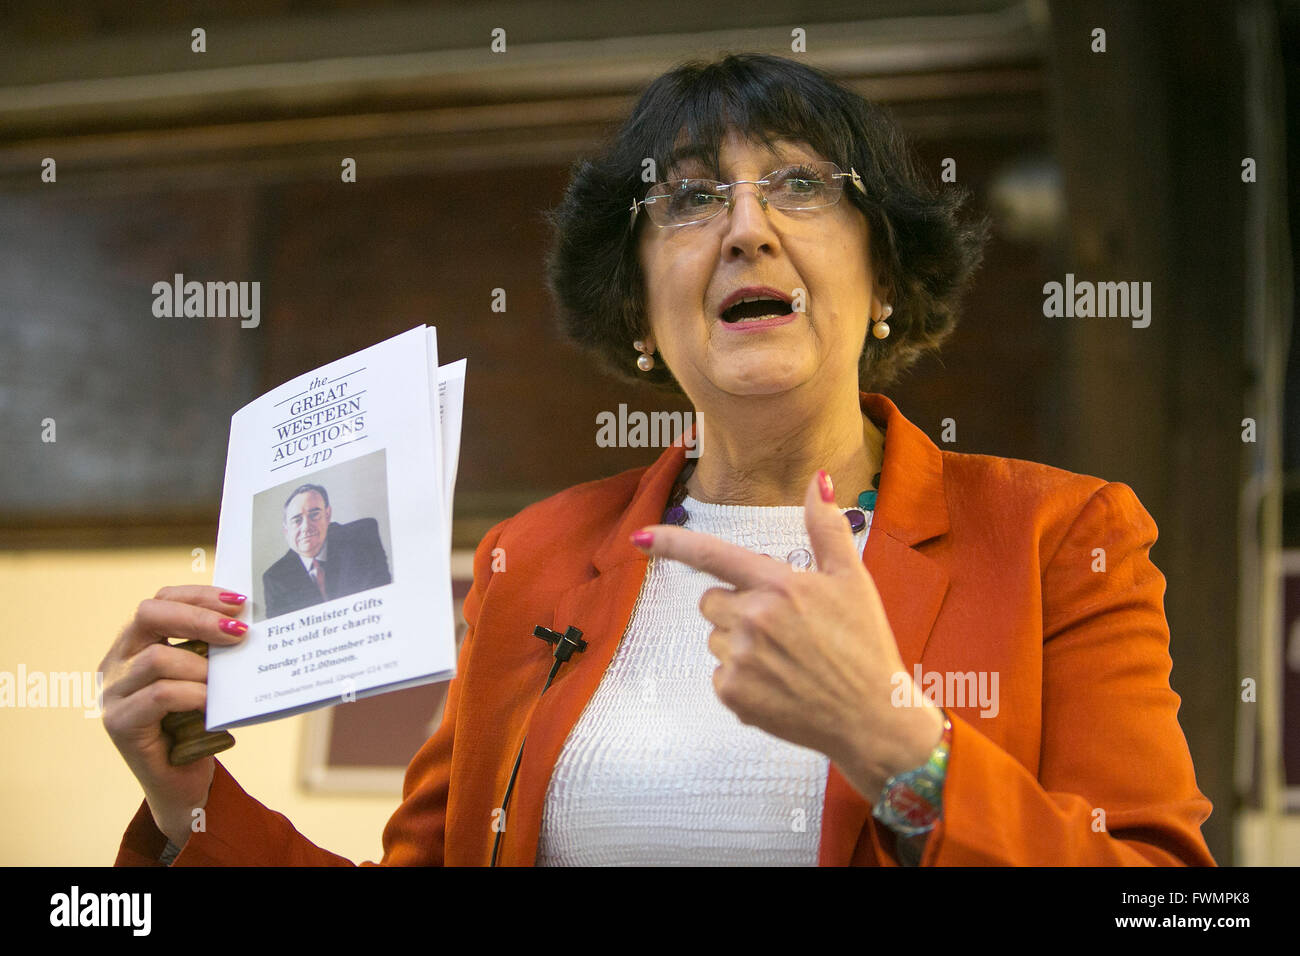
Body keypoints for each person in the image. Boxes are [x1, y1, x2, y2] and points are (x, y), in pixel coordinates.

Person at [101, 52, 1215, 866]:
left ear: (883, 279)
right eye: (686, 197)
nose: (745, 227)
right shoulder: (527, 560)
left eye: (801, 184)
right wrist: (187, 799)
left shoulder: (1058, 536)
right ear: (638, 308)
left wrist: (897, 748)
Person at [261, 483, 392, 619]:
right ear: (286, 531)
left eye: (314, 515)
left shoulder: (361, 538)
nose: (306, 527)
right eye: (297, 520)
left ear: (327, 515)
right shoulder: (275, 578)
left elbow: (383, 598)